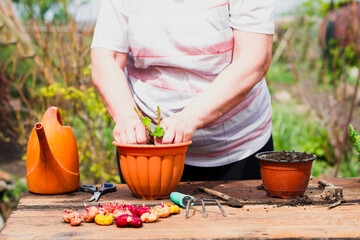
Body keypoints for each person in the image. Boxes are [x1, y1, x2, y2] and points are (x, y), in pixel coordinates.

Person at [91, 0, 275, 182]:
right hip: (148, 152)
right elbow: (107, 58)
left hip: (238, 148)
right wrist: (126, 117)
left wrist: (188, 118)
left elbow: (253, 59)